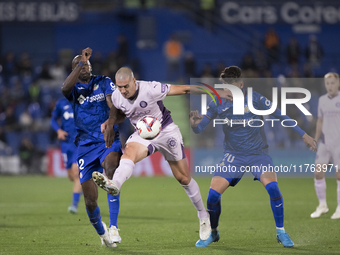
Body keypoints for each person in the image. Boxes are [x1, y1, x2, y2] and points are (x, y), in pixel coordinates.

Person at [92, 67, 232, 244]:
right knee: (129, 154)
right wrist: (110, 121)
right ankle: (115, 184)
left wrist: (217, 92)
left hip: (166, 131)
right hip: (143, 133)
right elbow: (117, 110)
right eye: (119, 87)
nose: (122, 91)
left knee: (183, 178)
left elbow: (185, 89)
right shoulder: (118, 95)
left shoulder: (151, 88)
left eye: (125, 86)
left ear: (134, 81)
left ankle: (203, 216)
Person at [189, 66, 317, 248]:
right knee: (212, 197)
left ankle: (281, 232)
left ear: (240, 84)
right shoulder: (216, 103)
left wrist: (303, 135)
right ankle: (213, 232)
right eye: (226, 87)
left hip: (258, 155)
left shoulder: (255, 99)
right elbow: (200, 129)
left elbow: (279, 114)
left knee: (273, 189)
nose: (229, 91)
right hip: (233, 156)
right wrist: (195, 125)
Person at [61, 47, 124, 247]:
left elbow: (112, 102)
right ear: (75, 70)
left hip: (106, 138)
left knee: (112, 168)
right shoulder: (73, 91)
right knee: (89, 202)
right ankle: (103, 234)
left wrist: (111, 121)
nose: (86, 67)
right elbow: (64, 89)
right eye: (81, 65)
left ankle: (114, 228)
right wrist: (80, 62)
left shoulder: (103, 81)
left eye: (87, 64)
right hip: (85, 146)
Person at [311, 72, 340, 220]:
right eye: (327, 83)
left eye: (333, 83)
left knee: (339, 175)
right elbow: (320, 121)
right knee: (318, 172)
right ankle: (322, 205)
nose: (330, 86)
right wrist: (315, 140)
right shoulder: (322, 100)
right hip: (325, 142)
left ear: (338, 84)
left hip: (339, 144)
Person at [51, 97, 82, 214]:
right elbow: (53, 119)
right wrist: (58, 131)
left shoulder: (82, 101)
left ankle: (74, 205)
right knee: (71, 176)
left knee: (76, 173)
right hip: (66, 143)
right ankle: (83, 188)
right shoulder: (61, 103)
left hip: (79, 143)